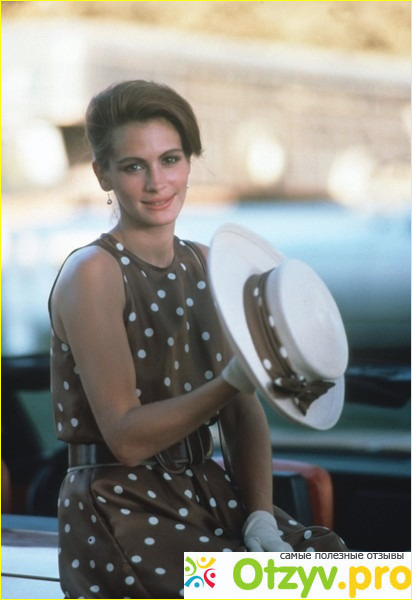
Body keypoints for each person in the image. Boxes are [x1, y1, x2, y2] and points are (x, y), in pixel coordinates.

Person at [49, 80, 347, 599]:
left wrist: (260, 517)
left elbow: (242, 415)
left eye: (170, 159)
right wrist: (232, 379)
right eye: (134, 166)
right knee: (295, 590)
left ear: (189, 162)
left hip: (206, 492)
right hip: (120, 509)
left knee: (354, 577)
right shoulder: (93, 273)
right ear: (103, 174)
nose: (157, 182)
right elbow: (126, 438)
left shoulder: (208, 264)